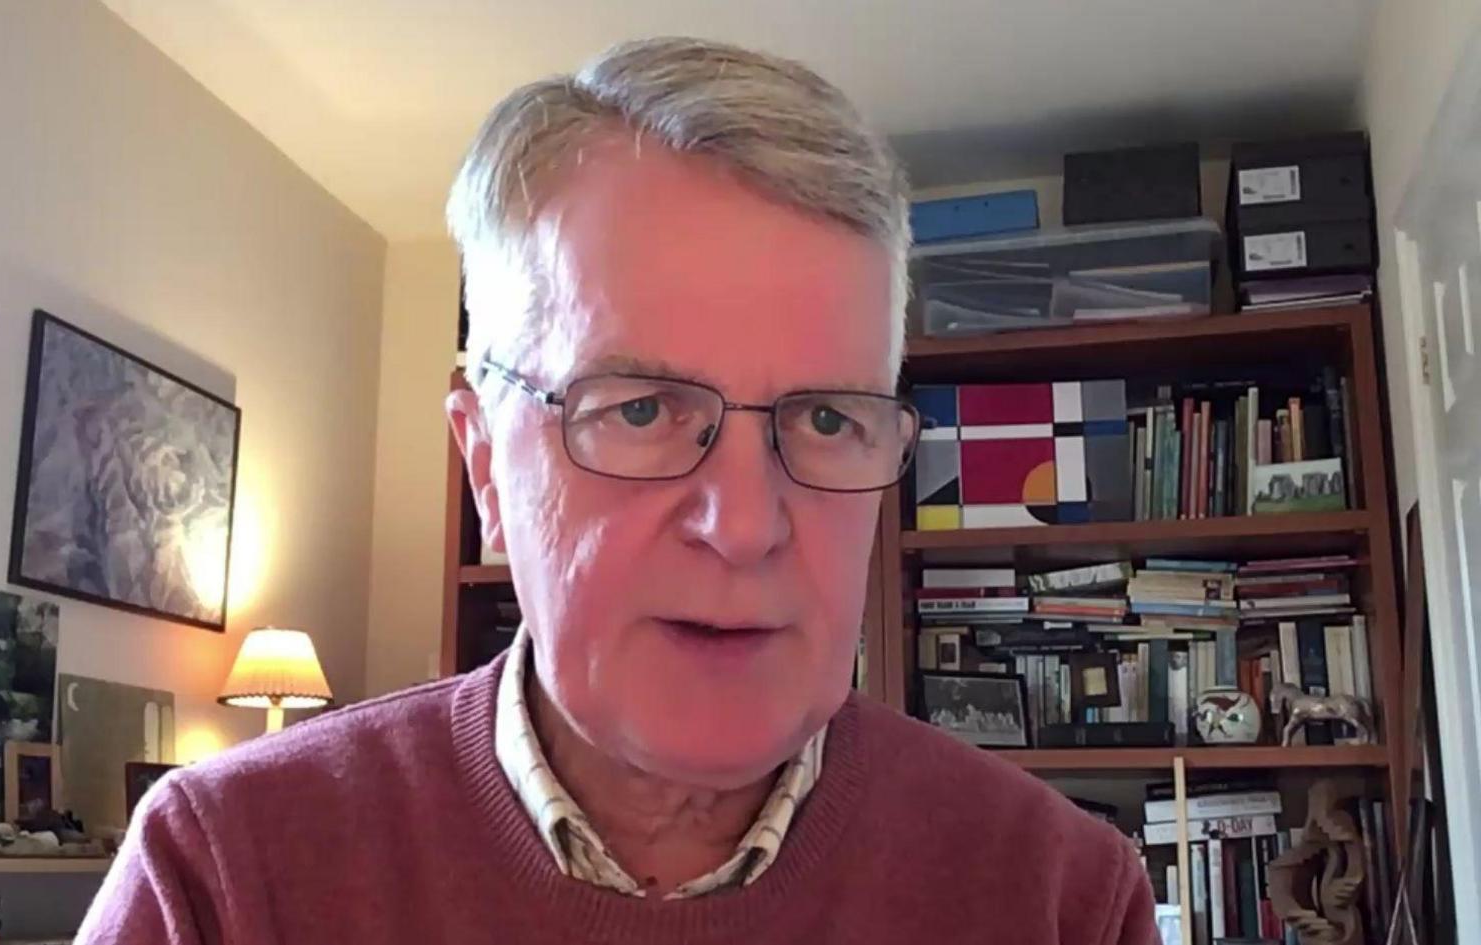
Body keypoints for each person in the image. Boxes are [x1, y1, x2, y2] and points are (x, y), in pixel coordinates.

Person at [77, 36, 1156, 944]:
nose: (743, 525)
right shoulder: (225, 875)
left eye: (828, 419)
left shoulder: (1059, 898)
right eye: (639, 410)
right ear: (486, 464)